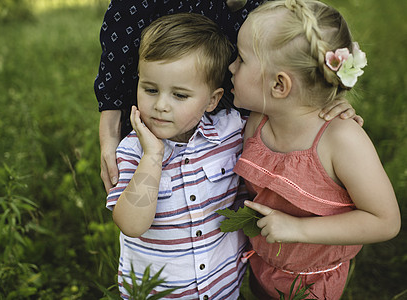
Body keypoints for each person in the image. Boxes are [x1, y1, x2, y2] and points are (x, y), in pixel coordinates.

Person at [228, 0, 401, 299]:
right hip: (262, 264)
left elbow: (385, 221)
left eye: (241, 59)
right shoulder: (257, 122)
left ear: (280, 86)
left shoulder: (341, 140)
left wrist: (297, 230)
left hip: (310, 283)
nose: (230, 67)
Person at [94, 0, 360, 193]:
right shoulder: (138, 148)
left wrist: (319, 98)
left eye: (240, 59)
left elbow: (298, 57)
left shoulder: (241, 132)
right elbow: (120, 39)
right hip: (158, 135)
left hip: (236, 126)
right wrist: (113, 135)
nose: (231, 66)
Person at [106, 13, 249, 299]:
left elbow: (286, 124)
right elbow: (131, 225)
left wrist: (331, 112)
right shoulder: (134, 150)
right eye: (150, 89)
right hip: (159, 293)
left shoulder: (231, 132)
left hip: (222, 287)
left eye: (179, 95)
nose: (160, 105)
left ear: (212, 100)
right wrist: (153, 156)